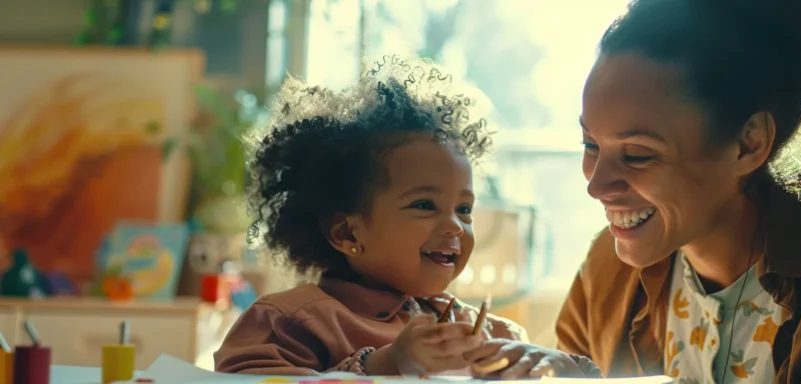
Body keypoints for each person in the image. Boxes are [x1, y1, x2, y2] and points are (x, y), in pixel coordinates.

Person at [556, 0, 801, 383]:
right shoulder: (608, 267)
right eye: (590, 145)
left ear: (749, 143)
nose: (596, 185)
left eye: (637, 155)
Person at [214, 55, 600, 379]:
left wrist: (559, 365)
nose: (455, 226)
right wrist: (386, 364)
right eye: (424, 205)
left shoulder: (490, 331)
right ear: (347, 231)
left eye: (464, 209)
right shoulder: (288, 321)